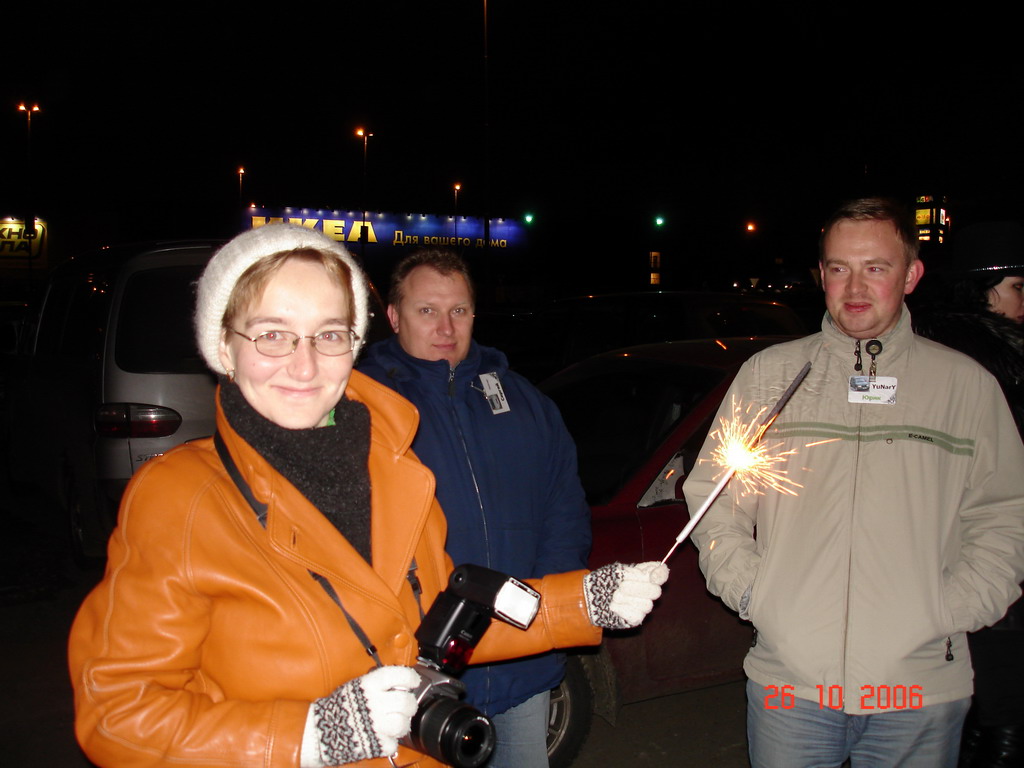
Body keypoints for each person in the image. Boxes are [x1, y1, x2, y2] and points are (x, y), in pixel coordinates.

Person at [68, 224, 669, 768]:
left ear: (353, 342)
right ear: (223, 347)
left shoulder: (397, 464)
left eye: (328, 335)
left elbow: (442, 625)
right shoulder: (179, 498)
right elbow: (117, 715)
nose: (304, 365)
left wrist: (581, 602)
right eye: (273, 335)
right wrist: (307, 736)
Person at [683, 198, 1024, 768]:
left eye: (876, 267)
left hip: (918, 689)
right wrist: (755, 593)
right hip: (791, 688)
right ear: (822, 275)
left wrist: (953, 608)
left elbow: (1005, 511)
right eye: (840, 268)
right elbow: (715, 500)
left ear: (911, 275)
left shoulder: (964, 386)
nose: (856, 287)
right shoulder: (768, 377)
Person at [357, 248, 590, 768]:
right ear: (393, 316)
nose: (446, 328)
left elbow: (564, 509)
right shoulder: (364, 403)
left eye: (458, 310)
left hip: (522, 664)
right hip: (417, 678)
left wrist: (544, 607)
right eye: (427, 310)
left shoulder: (523, 400)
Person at [913, 221, 1024, 767]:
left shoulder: (937, 346)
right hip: (983, 548)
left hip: (953, 553)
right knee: (1003, 707)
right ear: (983, 290)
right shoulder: (983, 361)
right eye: (1017, 288)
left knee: (974, 708)